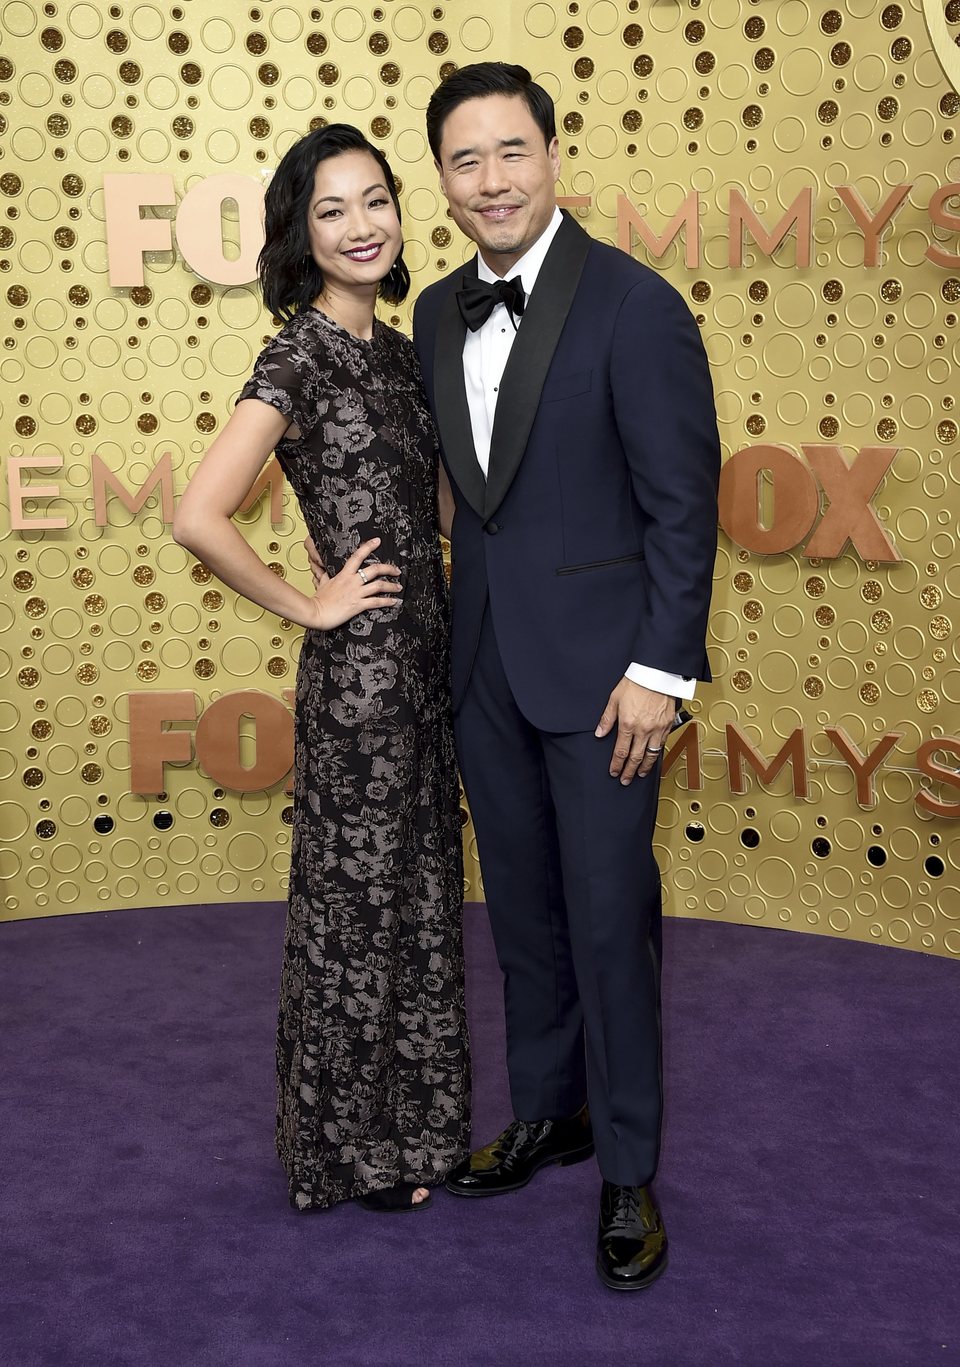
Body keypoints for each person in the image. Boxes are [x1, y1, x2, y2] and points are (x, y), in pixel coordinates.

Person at [414, 63, 720, 1290]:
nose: (491, 180)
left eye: (511, 152)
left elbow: (682, 507)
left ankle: (629, 1164)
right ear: (443, 178)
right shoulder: (436, 310)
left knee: (607, 919)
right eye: (464, 160)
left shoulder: (635, 305)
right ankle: (552, 1110)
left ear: (553, 154)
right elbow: (469, 495)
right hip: (483, 662)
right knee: (526, 915)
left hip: (609, 681)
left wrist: (663, 670)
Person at [172, 124, 470, 1215]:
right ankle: (351, 1152)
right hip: (362, 678)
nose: (362, 224)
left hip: (429, 663)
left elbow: (440, 510)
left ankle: (414, 1135)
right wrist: (312, 603)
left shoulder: (401, 354)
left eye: (376, 199)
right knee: (358, 908)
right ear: (304, 234)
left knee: (421, 899)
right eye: (334, 209)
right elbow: (198, 515)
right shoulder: (299, 353)